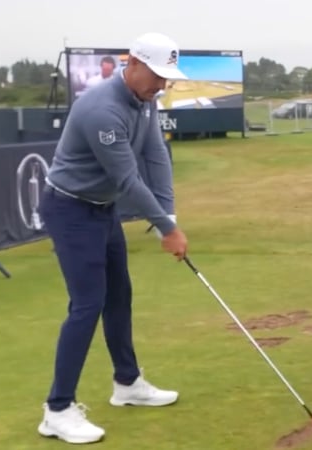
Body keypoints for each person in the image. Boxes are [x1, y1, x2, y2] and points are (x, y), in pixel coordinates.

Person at [37, 32, 189, 445]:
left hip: (102, 211)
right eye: (157, 75)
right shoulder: (102, 109)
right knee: (86, 304)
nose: (161, 85)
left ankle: (127, 383)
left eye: (166, 78)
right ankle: (57, 409)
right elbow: (127, 179)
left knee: (119, 296)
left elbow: (155, 155)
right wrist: (169, 230)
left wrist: (167, 215)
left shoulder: (145, 99)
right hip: (70, 210)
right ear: (132, 63)